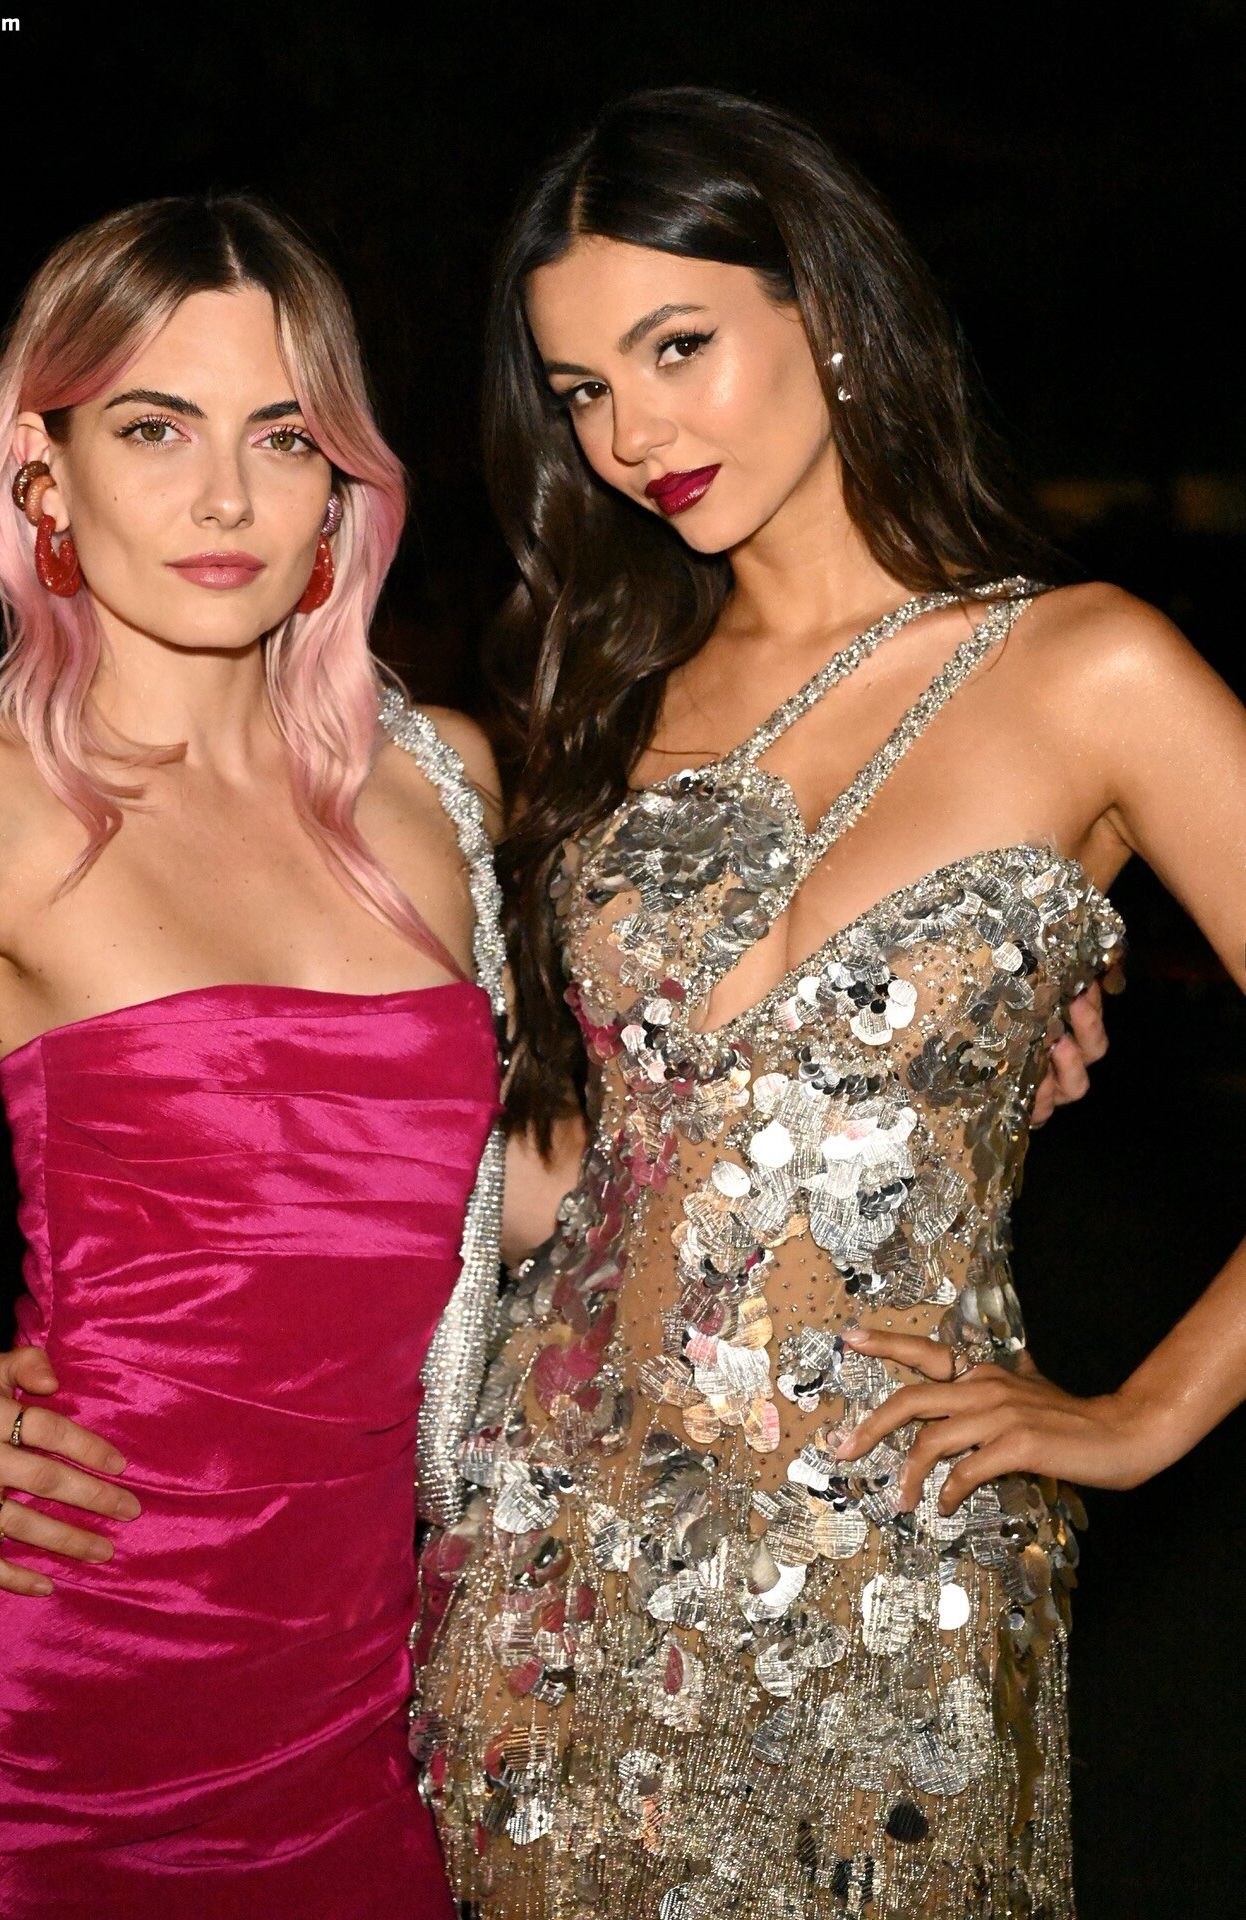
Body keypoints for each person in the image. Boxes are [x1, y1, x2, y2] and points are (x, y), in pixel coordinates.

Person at [415, 88, 1246, 1920]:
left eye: (678, 348)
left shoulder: (1088, 668)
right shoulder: (605, 702)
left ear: (834, 312)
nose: (633, 434)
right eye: (581, 390)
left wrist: (1144, 1415)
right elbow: (582, 1169)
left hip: (902, 1559)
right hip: (555, 1549)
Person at [0, 193, 510, 1919]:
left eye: (282, 436)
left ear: (340, 486)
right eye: (154, 428)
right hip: (20, 1732)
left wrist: (921, 1062)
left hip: (353, 1714)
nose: (224, 499)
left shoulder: (436, 790)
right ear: (43, 474)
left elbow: (504, 1197)